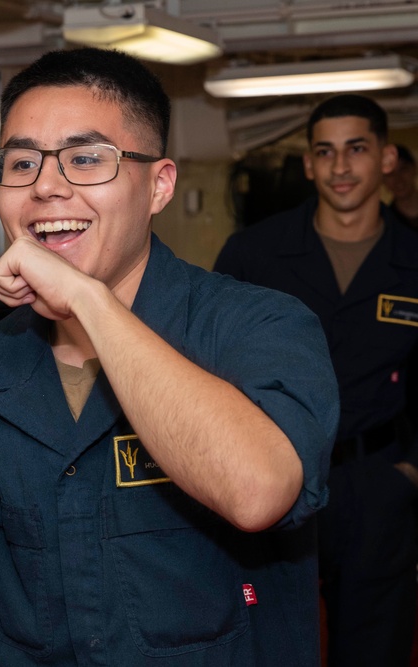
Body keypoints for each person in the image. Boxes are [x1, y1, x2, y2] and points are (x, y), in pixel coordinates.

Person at [0, 46, 339, 665]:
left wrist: (88, 301)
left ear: (158, 186)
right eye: (21, 162)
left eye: (86, 158)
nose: (45, 186)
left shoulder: (255, 327)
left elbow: (258, 491)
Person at [214, 94, 418, 666]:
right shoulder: (255, 254)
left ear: (386, 159)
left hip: (377, 489)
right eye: (324, 152)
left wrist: (409, 473)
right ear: (308, 165)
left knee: (375, 648)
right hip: (273, 489)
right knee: (267, 645)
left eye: (357, 148)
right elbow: (207, 367)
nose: (340, 166)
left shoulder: (412, 259)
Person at [385, 143, 418, 229]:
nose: (398, 179)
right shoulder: (384, 224)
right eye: (390, 174)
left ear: (414, 168)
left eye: (403, 169)